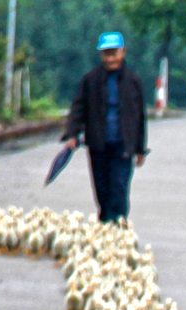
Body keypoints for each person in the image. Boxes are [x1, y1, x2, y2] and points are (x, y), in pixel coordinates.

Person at [62, 31, 148, 223]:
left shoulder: (133, 82)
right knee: (102, 190)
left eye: (114, 53)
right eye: (106, 54)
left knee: (119, 188)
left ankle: (118, 227)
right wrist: (72, 133)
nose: (110, 59)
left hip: (123, 145)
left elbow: (139, 117)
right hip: (98, 144)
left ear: (123, 52)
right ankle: (105, 226)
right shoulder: (90, 80)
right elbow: (78, 109)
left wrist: (140, 148)